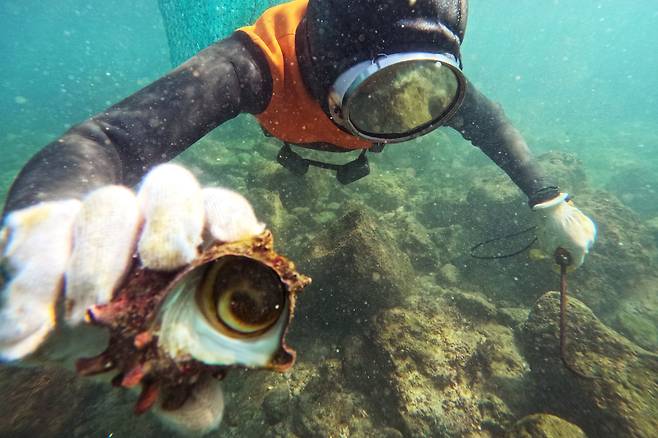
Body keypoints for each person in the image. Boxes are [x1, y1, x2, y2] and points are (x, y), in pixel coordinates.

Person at [1, 0, 595, 375]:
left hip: (318, 116)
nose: (408, 113)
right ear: (320, 60)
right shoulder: (257, 62)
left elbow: (486, 121)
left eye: (429, 93)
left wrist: (549, 198)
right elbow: (104, 140)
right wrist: (49, 216)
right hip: (275, 110)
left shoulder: (430, 79)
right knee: (201, 38)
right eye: (378, 94)